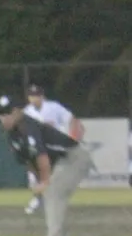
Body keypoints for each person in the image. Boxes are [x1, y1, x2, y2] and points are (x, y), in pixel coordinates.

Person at [0, 94, 91, 236]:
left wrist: (45, 182)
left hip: (75, 157)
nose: (4, 117)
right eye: (1, 114)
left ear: (18, 112)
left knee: (53, 191)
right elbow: (29, 161)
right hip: (60, 162)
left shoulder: (28, 126)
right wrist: (39, 181)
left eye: (8, 113)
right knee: (50, 194)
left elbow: (41, 156)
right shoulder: (12, 135)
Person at [21, 84, 85, 214]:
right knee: (34, 177)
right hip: (37, 148)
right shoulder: (26, 112)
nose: (34, 98)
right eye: (31, 96)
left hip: (54, 146)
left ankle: (49, 201)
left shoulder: (54, 107)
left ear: (42, 96)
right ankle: (38, 199)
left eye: (37, 95)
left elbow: (70, 119)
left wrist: (73, 137)